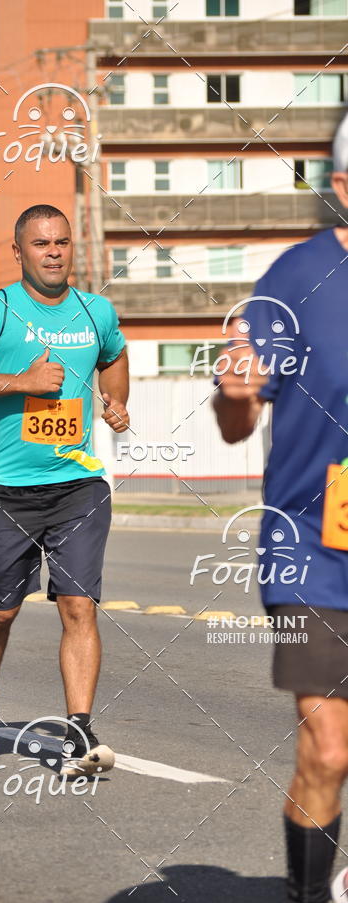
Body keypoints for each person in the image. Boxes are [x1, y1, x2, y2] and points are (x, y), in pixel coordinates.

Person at [0, 204, 129, 775]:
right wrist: (19, 381)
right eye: (41, 243)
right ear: (18, 252)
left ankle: (80, 730)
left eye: (62, 242)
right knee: (0, 613)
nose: (54, 252)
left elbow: (114, 355)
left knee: (78, 605)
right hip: (6, 490)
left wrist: (115, 402)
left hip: (79, 485)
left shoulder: (97, 312)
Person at [213, 114, 348, 903]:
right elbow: (238, 418)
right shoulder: (294, 281)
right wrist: (234, 389)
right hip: (313, 549)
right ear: (341, 188)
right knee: (328, 749)